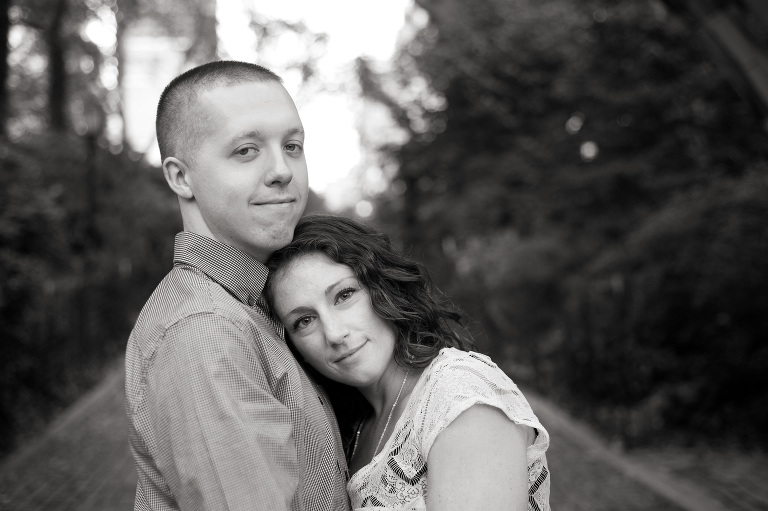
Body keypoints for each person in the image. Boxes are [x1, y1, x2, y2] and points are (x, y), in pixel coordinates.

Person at [124, 61, 351, 511]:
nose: (282, 170)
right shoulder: (205, 332)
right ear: (181, 177)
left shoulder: (252, 305)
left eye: (292, 146)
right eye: (246, 150)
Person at [266, 215, 551, 511]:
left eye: (344, 295)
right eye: (304, 321)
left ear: (382, 288)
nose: (335, 334)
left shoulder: (459, 396)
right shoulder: (353, 427)